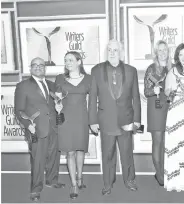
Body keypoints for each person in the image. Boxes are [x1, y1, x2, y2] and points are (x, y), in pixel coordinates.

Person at [89, 40, 141, 195]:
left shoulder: (131, 71)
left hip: (126, 120)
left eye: (115, 50)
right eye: (109, 50)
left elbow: (136, 98)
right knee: (108, 154)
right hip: (106, 120)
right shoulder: (96, 70)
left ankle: (129, 180)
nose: (112, 53)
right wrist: (92, 120)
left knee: (127, 153)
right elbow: (92, 97)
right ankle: (107, 183)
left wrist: (137, 120)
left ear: (121, 53)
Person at [14, 57, 65, 202]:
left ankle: (52, 180)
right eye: (34, 65)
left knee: (54, 156)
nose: (38, 67)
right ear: (30, 68)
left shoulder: (52, 85)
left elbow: (57, 104)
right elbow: (18, 110)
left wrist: (59, 109)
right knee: (37, 160)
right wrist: (27, 125)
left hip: (53, 127)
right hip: (35, 129)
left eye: (41, 65)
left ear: (45, 68)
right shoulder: (22, 86)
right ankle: (36, 189)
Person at [54, 51, 92, 199]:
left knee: (80, 149)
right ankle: (74, 184)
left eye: (71, 60)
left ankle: (80, 178)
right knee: (70, 152)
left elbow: (95, 97)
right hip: (66, 119)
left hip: (82, 118)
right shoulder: (60, 78)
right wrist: (57, 105)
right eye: (66, 60)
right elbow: (57, 98)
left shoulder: (89, 79)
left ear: (79, 62)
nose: (68, 63)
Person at [163, 43, 184, 192]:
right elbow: (166, 93)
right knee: (176, 145)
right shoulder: (172, 72)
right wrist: (171, 90)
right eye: (181, 54)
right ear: (177, 56)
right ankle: (175, 181)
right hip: (176, 111)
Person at [144, 40, 172, 186]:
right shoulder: (151, 69)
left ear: (168, 52)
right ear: (156, 53)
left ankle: (164, 171)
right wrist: (152, 91)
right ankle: (160, 175)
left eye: (164, 50)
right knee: (158, 141)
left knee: (166, 143)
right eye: (159, 50)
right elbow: (146, 91)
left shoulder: (172, 69)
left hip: (169, 107)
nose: (162, 53)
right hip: (155, 108)